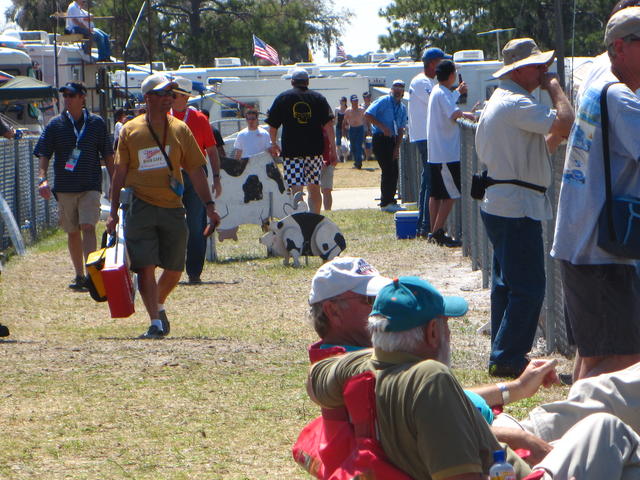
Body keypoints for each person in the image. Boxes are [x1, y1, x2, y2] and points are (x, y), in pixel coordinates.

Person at [307, 276, 640, 480]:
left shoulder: (367, 369)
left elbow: (316, 378)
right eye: (445, 324)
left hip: (509, 456)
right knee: (606, 429)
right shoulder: (429, 381)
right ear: (433, 332)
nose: (449, 333)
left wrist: (386, 354)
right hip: (523, 474)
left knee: (603, 422)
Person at [475, 38, 574, 378]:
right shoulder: (517, 103)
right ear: (518, 70)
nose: (544, 70)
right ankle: (509, 356)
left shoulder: (505, 100)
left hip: (505, 202)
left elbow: (540, 148)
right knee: (530, 286)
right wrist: (555, 87)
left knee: (508, 285)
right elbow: (567, 121)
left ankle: (503, 353)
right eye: (537, 66)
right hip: (516, 207)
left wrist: (556, 132)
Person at [551, 7, 640, 380]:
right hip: (602, 251)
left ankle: (574, 413)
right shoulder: (621, 99)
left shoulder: (597, 90)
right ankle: (571, 416)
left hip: (582, 243)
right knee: (625, 359)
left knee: (594, 355)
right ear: (620, 47)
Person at [106, 73, 220, 339]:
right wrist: (112, 212)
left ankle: (156, 302)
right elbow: (119, 173)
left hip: (172, 206)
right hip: (140, 206)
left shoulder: (180, 129)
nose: (169, 98)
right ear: (148, 98)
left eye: (171, 93)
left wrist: (209, 205)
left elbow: (195, 170)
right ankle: (155, 322)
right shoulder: (130, 130)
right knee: (145, 265)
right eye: (163, 93)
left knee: (175, 267)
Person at [34, 81, 114, 291]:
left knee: (88, 226)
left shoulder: (96, 123)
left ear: (82, 97)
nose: (67, 99)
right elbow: (44, 153)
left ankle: (91, 275)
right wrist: (42, 179)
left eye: (71, 95)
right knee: (72, 231)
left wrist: (115, 182)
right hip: (65, 187)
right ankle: (79, 275)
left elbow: (108, 154)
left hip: (90, 185)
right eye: (65, 95)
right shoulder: (55, 124)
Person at [169, 76, 221, 285]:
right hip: (171, 175)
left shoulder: (199, 119)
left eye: (173, 95)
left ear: (185, 97)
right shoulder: (164, 117)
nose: (169, 98)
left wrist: (216, 177)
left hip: (195, 175)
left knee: (195, 224)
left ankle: (194, 272)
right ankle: (171, 269)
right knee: (169, 223)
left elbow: (212, 150)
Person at [266, 68, 336, 214]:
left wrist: (273, 143)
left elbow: (272, 126)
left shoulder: (283, 98)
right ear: (307, 82)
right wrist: (333, 150)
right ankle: (315, 218)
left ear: (292, 82)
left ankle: (299, 217)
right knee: (314, 187)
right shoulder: (318, 98)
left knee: (296, 188)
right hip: (314, 151)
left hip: (292, 152)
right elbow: (329, 126)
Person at [426, 60, 474, 247]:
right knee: (451, 194)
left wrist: (457, 93)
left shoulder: (439, 91)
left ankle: (434, 230)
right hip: (446, 153)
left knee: (436, 194)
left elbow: (448, 105)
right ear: (451, 75)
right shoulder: (442, 93)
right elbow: (453, 114)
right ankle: (437, 232)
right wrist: (468, 115)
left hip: (437, 153)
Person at [408, 47, 451, 238]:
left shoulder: (428, 82)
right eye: (441, 61)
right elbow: (436, 102)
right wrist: (455, 92)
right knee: (431, 181)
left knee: (428, 180)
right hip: (425, 136)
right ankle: (426, 225)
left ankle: (424, 225)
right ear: (433, 63)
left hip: (426, 135)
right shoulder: (421, 81)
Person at [365, 79, 408, 213]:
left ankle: (390, 200)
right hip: (380, 138)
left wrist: (396, 148)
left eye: (400, 88)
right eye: (396, 87)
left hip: (392, 140)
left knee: (394, 171)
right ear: (391, 89)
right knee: (388, 170)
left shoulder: (402, 108)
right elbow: (368, 114)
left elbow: (401, 129)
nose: (398, 90)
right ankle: (385, 202)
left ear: (403, 91)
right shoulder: (384, 101)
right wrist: (382, 127)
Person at [342, 94, 366, 169]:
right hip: (352, 129)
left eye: (356, 100)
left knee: (358, 145)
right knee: (353, 147)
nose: (355, 102)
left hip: (360, 129)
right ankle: (356, 161)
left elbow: (366, 118)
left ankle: (359, 162)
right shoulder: (348, 110)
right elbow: (344, 121)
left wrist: (368, 129)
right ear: (351, 101)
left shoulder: (362, 109)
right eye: (354, 101)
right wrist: (343, 131)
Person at [334, 96, 348, 161]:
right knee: (338, 143)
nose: (341, 102)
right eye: (340, 101)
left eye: (342, 101)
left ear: (345, 102)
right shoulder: (337, 109)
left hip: (346, 128)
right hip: (338, 127)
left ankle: (346, 158)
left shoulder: (347, 109)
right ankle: (339, 157)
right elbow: (335, 118)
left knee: (346, 143)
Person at [362, 92, 373, 161]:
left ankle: (369, 156)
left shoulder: (372, 105)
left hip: (372, 127)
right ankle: (367, 156)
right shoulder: (361, 106)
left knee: (370, 142)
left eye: (369, 97)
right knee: (365, 142)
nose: (368, 98)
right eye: (366, 97)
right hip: (363, 127)